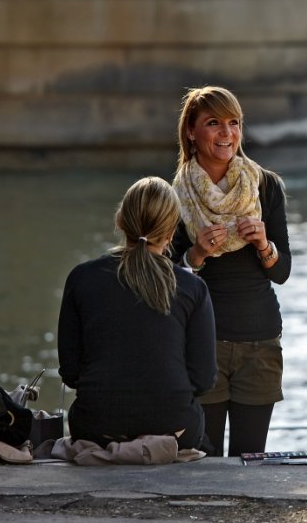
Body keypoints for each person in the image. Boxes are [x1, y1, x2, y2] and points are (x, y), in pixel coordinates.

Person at [171, 86, 291, 457]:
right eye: (213, 123)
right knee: (204, 460)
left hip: (260, 340)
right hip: (202, 342)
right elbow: (165, 277)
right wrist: (196, 254)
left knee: (250, 459)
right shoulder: (173, 194)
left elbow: (282, 272)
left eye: (233, 123)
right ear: (191, 132)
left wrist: (264, 246)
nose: (227, 133)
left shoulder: (265, 184)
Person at [58, 176, 217, 451]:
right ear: (170, 234)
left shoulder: (81, 278)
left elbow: (71, 373)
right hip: (174, 430)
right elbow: (203, 381)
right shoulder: (193, 287)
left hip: (96, 428)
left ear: (120, 221)